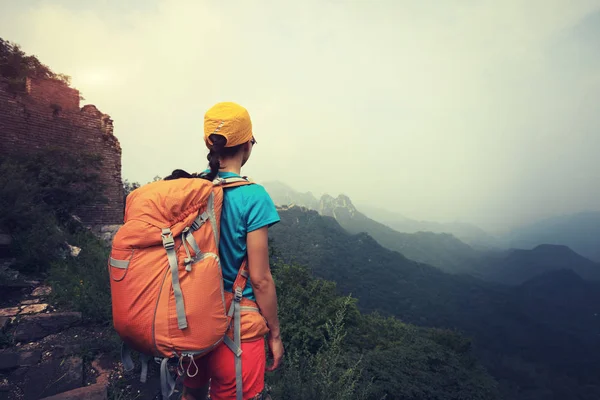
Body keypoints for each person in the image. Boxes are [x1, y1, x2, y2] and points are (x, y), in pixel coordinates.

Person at [182, 102, 284, 400]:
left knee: (192, 396)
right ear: (247, 145)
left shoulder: (190, 187)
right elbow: (261, 278)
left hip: (192, 324)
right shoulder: (253, 196)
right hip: (237, 332)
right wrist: (275, 335)